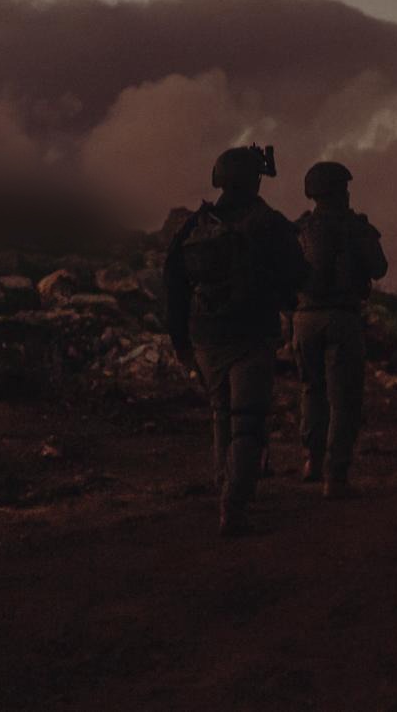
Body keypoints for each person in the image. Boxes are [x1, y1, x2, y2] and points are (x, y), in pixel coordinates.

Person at [164, 146, 308, 535]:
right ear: (253, 180)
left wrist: (181, 342)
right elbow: (298, 273)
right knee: (247, 422)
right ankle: (234, 503)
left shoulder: (195, 225)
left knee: (222, 415)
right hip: (251, 335)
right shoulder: (267, 222)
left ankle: (225, 488)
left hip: (204, 338)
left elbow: (173, 284)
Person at [291, 161, 389, 498]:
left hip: (304, 318)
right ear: (338, 191)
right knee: (344, 399)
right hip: (342, 318)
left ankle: (311, 460)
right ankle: (336, 475)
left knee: (311, 390)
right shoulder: (355, 227)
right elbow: (379, 267)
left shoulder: (301, 228)